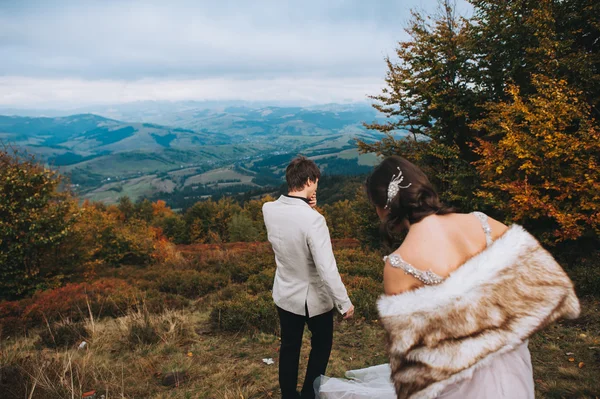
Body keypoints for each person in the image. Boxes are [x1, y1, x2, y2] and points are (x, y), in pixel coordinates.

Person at [317, 155, 580, 399]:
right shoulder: (483, 222)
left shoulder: (399, 264)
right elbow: (539, 280)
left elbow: (411, 361)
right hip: (511, 361)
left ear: (384, 206)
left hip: (460, 382)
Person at [263, 156, 355, 399]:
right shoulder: (314, 221)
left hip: (284, 293)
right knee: (321, 346)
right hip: (313, 299)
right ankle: (309, 394)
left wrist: (308, 207)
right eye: (315, 183)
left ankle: (288, 396)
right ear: (309, 181)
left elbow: (291, 228)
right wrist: (344, 303)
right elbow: (327, 268)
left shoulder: (269, 209)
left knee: (289, 347)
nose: (317, 187)